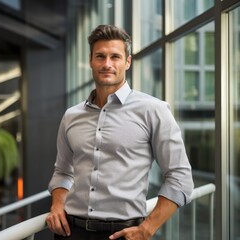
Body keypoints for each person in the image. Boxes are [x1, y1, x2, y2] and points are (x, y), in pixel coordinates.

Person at [46, 24, 194, 240]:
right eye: (100, 56)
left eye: (115, 56)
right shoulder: (71, 115)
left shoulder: (153, 110)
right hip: (70, 232)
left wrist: (148, 227)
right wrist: (57, 204)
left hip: (124, 234)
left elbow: (180, 177)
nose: (107, 64)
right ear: (90, 60)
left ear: (127, 61)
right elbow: (62, 171)